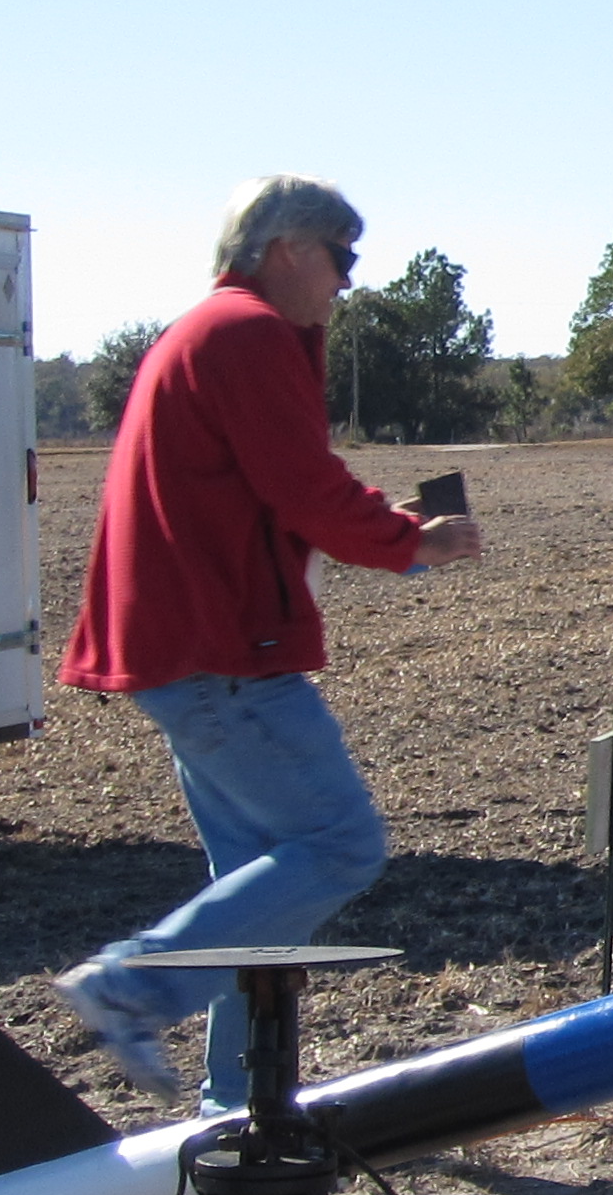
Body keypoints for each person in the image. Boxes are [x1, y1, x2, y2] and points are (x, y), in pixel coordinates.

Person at [52, 177, 483, 1111]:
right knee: (339, 844)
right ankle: (131, 986)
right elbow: (305, 487)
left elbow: (276, 490)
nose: (346, 281)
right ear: (286, 248)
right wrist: (413, 543)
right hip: (224, 655)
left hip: (194, 650)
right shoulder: (246, 335)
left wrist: (387, 527)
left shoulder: (209, 333)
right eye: (341, 256)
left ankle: (239, 1105)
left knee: (256, 885)